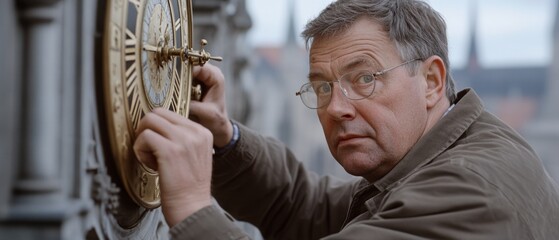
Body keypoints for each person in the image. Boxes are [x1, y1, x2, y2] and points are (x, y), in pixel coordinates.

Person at [133, 0, 559, 239]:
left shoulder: (471, 193)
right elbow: (305, 207)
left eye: (365, 78)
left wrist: (192, 206)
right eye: (321, 86)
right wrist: (225, 142)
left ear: (431, 80)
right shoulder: (437, 155)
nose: (337, 107)